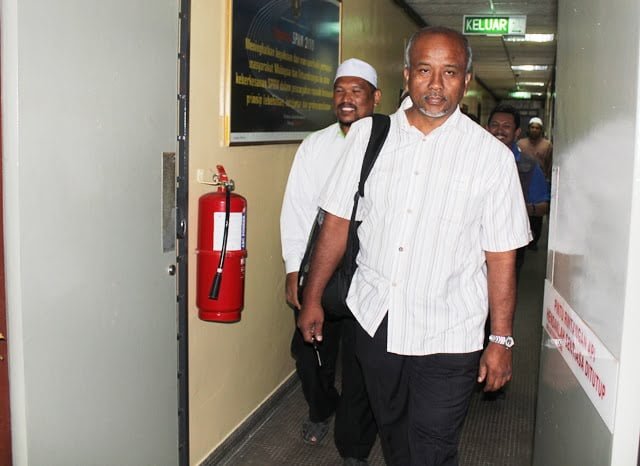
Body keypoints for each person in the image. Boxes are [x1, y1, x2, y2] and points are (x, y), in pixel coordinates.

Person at [297, 26, 531, 466]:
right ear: (406, 75)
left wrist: (501, 339)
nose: (436, 84)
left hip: (449, 332)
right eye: (424, 70)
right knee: (395, 438)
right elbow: (337, 223)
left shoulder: (491, 158)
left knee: (432, 448)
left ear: (466, 79)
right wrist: (312, 299)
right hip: (376, 322)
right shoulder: (368, 137)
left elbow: (501, 254)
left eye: (450, 72)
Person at [280, 58, 380, 465]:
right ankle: (321, 408)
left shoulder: (390, 143)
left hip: (369, 270)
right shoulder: (315, 146)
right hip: (320, 266)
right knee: (310, 352)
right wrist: (294, 268)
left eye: (357, 91)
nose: (346, 98)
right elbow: (297, 209)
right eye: (340, 90)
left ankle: (354, 447)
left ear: (376, 97)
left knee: (361, 360)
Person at [487, 105, 550, 278]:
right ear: (487, 128)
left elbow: (544, 206)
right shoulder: (472, 161)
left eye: (506, 126)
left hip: (509, 244)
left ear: (517, 132)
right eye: (495, 125)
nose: (499, 130)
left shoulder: (529, 166)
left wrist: (521, 208)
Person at [518, 116, 553, 251]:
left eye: (537, 128)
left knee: (536, 217)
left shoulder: (547, 145)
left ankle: (533, 241)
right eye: (532, 127)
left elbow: (549, 164)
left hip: (539, 184)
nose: (534, 130)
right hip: (522, 183)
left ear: (541, 130)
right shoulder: (521, 144)